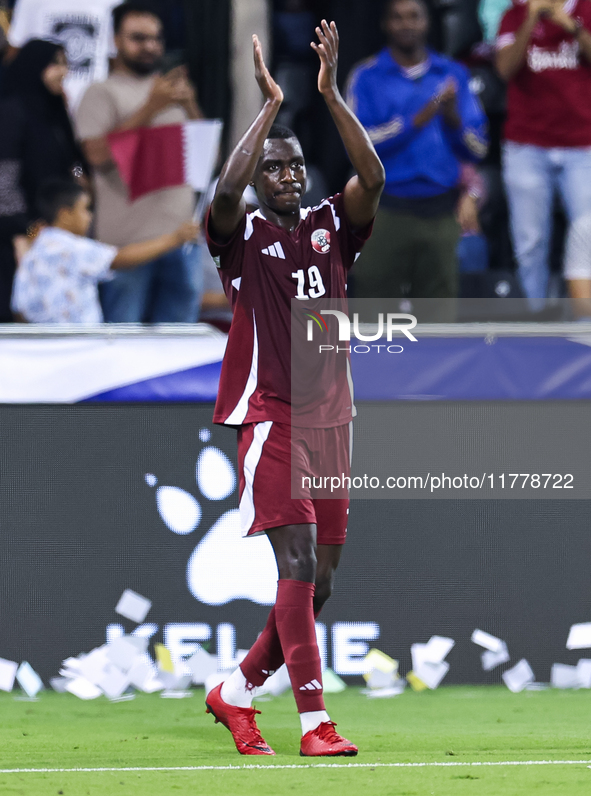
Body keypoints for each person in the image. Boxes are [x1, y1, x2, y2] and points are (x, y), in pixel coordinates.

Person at [204, 22, 384, 756]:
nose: (285, 175)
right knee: (298, 565)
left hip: (331, 421)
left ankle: (237, 691)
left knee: (322, 586)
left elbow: (372, 179)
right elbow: (223, 189)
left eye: (294, 167)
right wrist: (270, 109)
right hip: (271, 416)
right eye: (273, 167)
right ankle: (315, 723)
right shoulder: (239, 238)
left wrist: (329, 94)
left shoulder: (330, 226)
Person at [345, 0, 487, 301]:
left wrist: (452, 119)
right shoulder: (367, 76)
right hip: (384, 212)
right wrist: (415, 120)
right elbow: (357, 146)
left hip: (440, 214)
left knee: (438, 324)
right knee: (373, 318)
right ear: (385, 24)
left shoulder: (453, 74)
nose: (406, 24)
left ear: (427, 22)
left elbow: (478, 147)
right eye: (397, 17)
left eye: (414, 16)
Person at [76, 0, 203, 323]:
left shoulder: (171, 92)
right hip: (127, 248)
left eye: (156, 38)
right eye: (138, 38)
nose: (150, 46)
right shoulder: (100, 92)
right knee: (124, 348)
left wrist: (189, 106)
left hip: (182, 240)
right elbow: (96, 156)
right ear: (115, 40)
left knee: (178, 354)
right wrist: (150, 108)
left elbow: (206, 160)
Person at [496, 0, 591, 307]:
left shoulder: (586, 9)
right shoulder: (514, 14)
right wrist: (531, 19)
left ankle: (584, 324)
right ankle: (534, 319)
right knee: (530, 242)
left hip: (581, 144)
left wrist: (571, 25)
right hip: (527, 146)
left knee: (587, 234)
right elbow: (504, 69)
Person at [11, 178, 197, 323]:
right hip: (80, 347)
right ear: (65, 215)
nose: (89, 217)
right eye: (85, 209)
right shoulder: (69, 247)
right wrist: (174, 239)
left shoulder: (32, 253)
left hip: (44, 349)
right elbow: (119, 259)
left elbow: (20, 309)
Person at [0, 39, 86, 322]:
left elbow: (73, 163)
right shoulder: (13, 111)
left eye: (64, 64)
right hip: (19, 237)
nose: (62, 71)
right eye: (54, 64)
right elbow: (5, 177)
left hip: (55, 233)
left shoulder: (55, 112)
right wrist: (24, 227)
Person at [5, 0, 118, 109]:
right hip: (40, 109)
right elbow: (15, 58)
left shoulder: (113, 2)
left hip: (95, 109)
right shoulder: (30, 2)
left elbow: (116, 61)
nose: (64, 71)